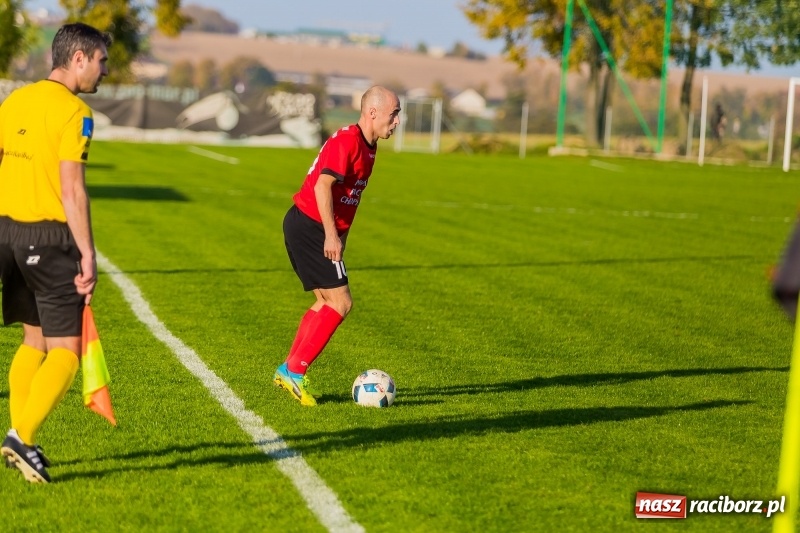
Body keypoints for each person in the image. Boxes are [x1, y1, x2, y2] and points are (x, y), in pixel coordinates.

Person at [0, 22, 110, 483]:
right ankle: (20, 439)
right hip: (48, 239)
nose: (105, 72)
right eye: (102, 61)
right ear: (79, 58)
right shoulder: (75, 112)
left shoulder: (14, 100)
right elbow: (72, 189)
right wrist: (87, 252)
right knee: (65, 351)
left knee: (34, 341)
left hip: (5, 234)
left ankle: (19, 437)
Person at [274, 86, 401, 406]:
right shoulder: (347, 141)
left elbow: (349, 198)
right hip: (310, 225)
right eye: (394, 114)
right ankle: (295, 372)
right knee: (341, 303)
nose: (397, 121)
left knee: (325, 301)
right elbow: (322, 185)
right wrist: (331, 235)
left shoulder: (369, 147)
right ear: (373, 112)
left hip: (311, 226)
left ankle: (287, 370)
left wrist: (341, 235)